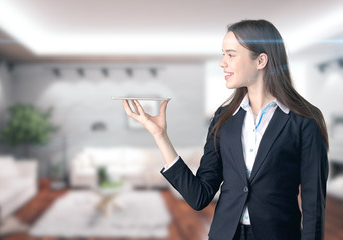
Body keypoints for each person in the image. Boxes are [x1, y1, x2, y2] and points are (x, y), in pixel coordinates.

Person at [122, 19, 328, 240]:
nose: (222, 63)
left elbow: (314, 205)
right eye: (223, 54)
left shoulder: (305, 120)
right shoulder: (224, 119)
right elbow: (199, 196)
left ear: (260, 60)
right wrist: (160, 136)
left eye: (231, 55)